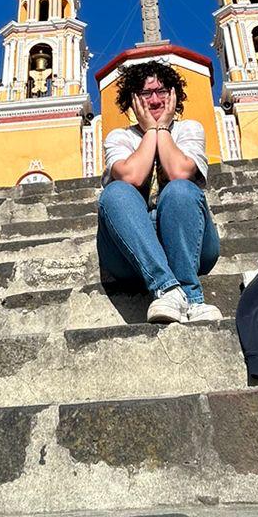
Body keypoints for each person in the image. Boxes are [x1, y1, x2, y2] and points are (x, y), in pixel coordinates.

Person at [96, 59, 221, 324]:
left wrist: (162, 128)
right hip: (130, 252)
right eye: (145, 93)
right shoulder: (119, 138)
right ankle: (167, 288)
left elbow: (179, 172)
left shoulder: (189, 129)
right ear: (133, 99)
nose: (154, 100)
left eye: (162, 91)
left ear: (173, 95)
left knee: (180, 190)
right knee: (116, 192)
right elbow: (133, 175)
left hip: (190, 244)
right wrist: (151, 130)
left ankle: (189, 295)